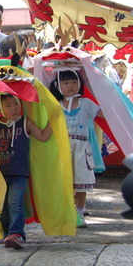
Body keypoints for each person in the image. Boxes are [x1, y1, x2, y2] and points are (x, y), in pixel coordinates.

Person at [0, 93, 52, 248]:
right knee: (2, 208)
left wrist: (55, 118)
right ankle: (8, 234)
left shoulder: (25, 122)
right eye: (8, 105)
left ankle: (17, 234)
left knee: (15, 202)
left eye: (16, 103)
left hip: (19, 172)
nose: (14, 108)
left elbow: (43, 136)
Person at [49, 70, 104, 228]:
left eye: (74, 82)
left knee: (81, 183)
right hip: (62, 149)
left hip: (81, 149)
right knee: (63, 182)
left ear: (80, 84)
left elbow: (105, 115)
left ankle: (79, 214)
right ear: (57, 86)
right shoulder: (55, 105)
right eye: (65, 83)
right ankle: (64, 212)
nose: (70, 86)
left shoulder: (86, 103)